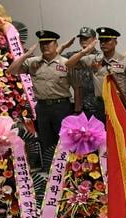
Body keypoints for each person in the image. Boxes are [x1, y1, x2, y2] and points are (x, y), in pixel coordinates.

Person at [11, 30, 81, 169]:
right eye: (42, 44)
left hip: (62, 106)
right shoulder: (33, 63)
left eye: (48, 43)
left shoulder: (66, 63)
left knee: (65, 140)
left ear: (56, 44)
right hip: (42, 107)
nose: (45, 46)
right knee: (46, 140)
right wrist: (25, 55)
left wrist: (77, 110)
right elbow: (12, 70)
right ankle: (50, 171)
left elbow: (77, 87)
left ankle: (68, 169)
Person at [66, 26, 99, 115]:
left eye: (86, 38)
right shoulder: (72, 56)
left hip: (97, 105)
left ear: (94, 39)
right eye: (81, 38)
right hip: (80, 106)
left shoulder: (99, 56)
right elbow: (56, 59)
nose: (83, 40)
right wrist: (63, 46)